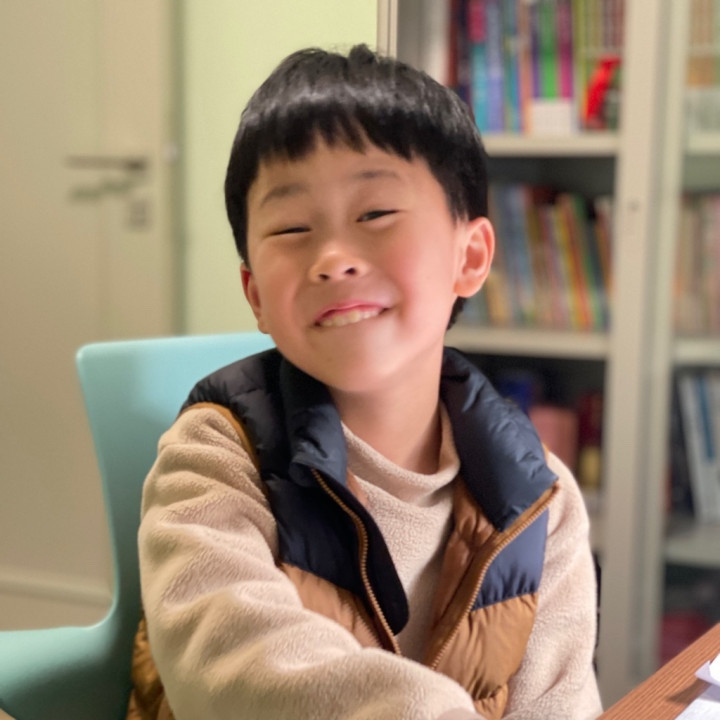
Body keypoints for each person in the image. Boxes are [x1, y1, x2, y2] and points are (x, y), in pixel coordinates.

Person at [136, 44, 602, 720]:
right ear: (255, 294)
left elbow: (558, 706)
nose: (332, 258)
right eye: (292, 228)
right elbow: (232, 662)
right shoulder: (215, 456)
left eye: (376, 214)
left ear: (470, 256)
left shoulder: (539, 499)